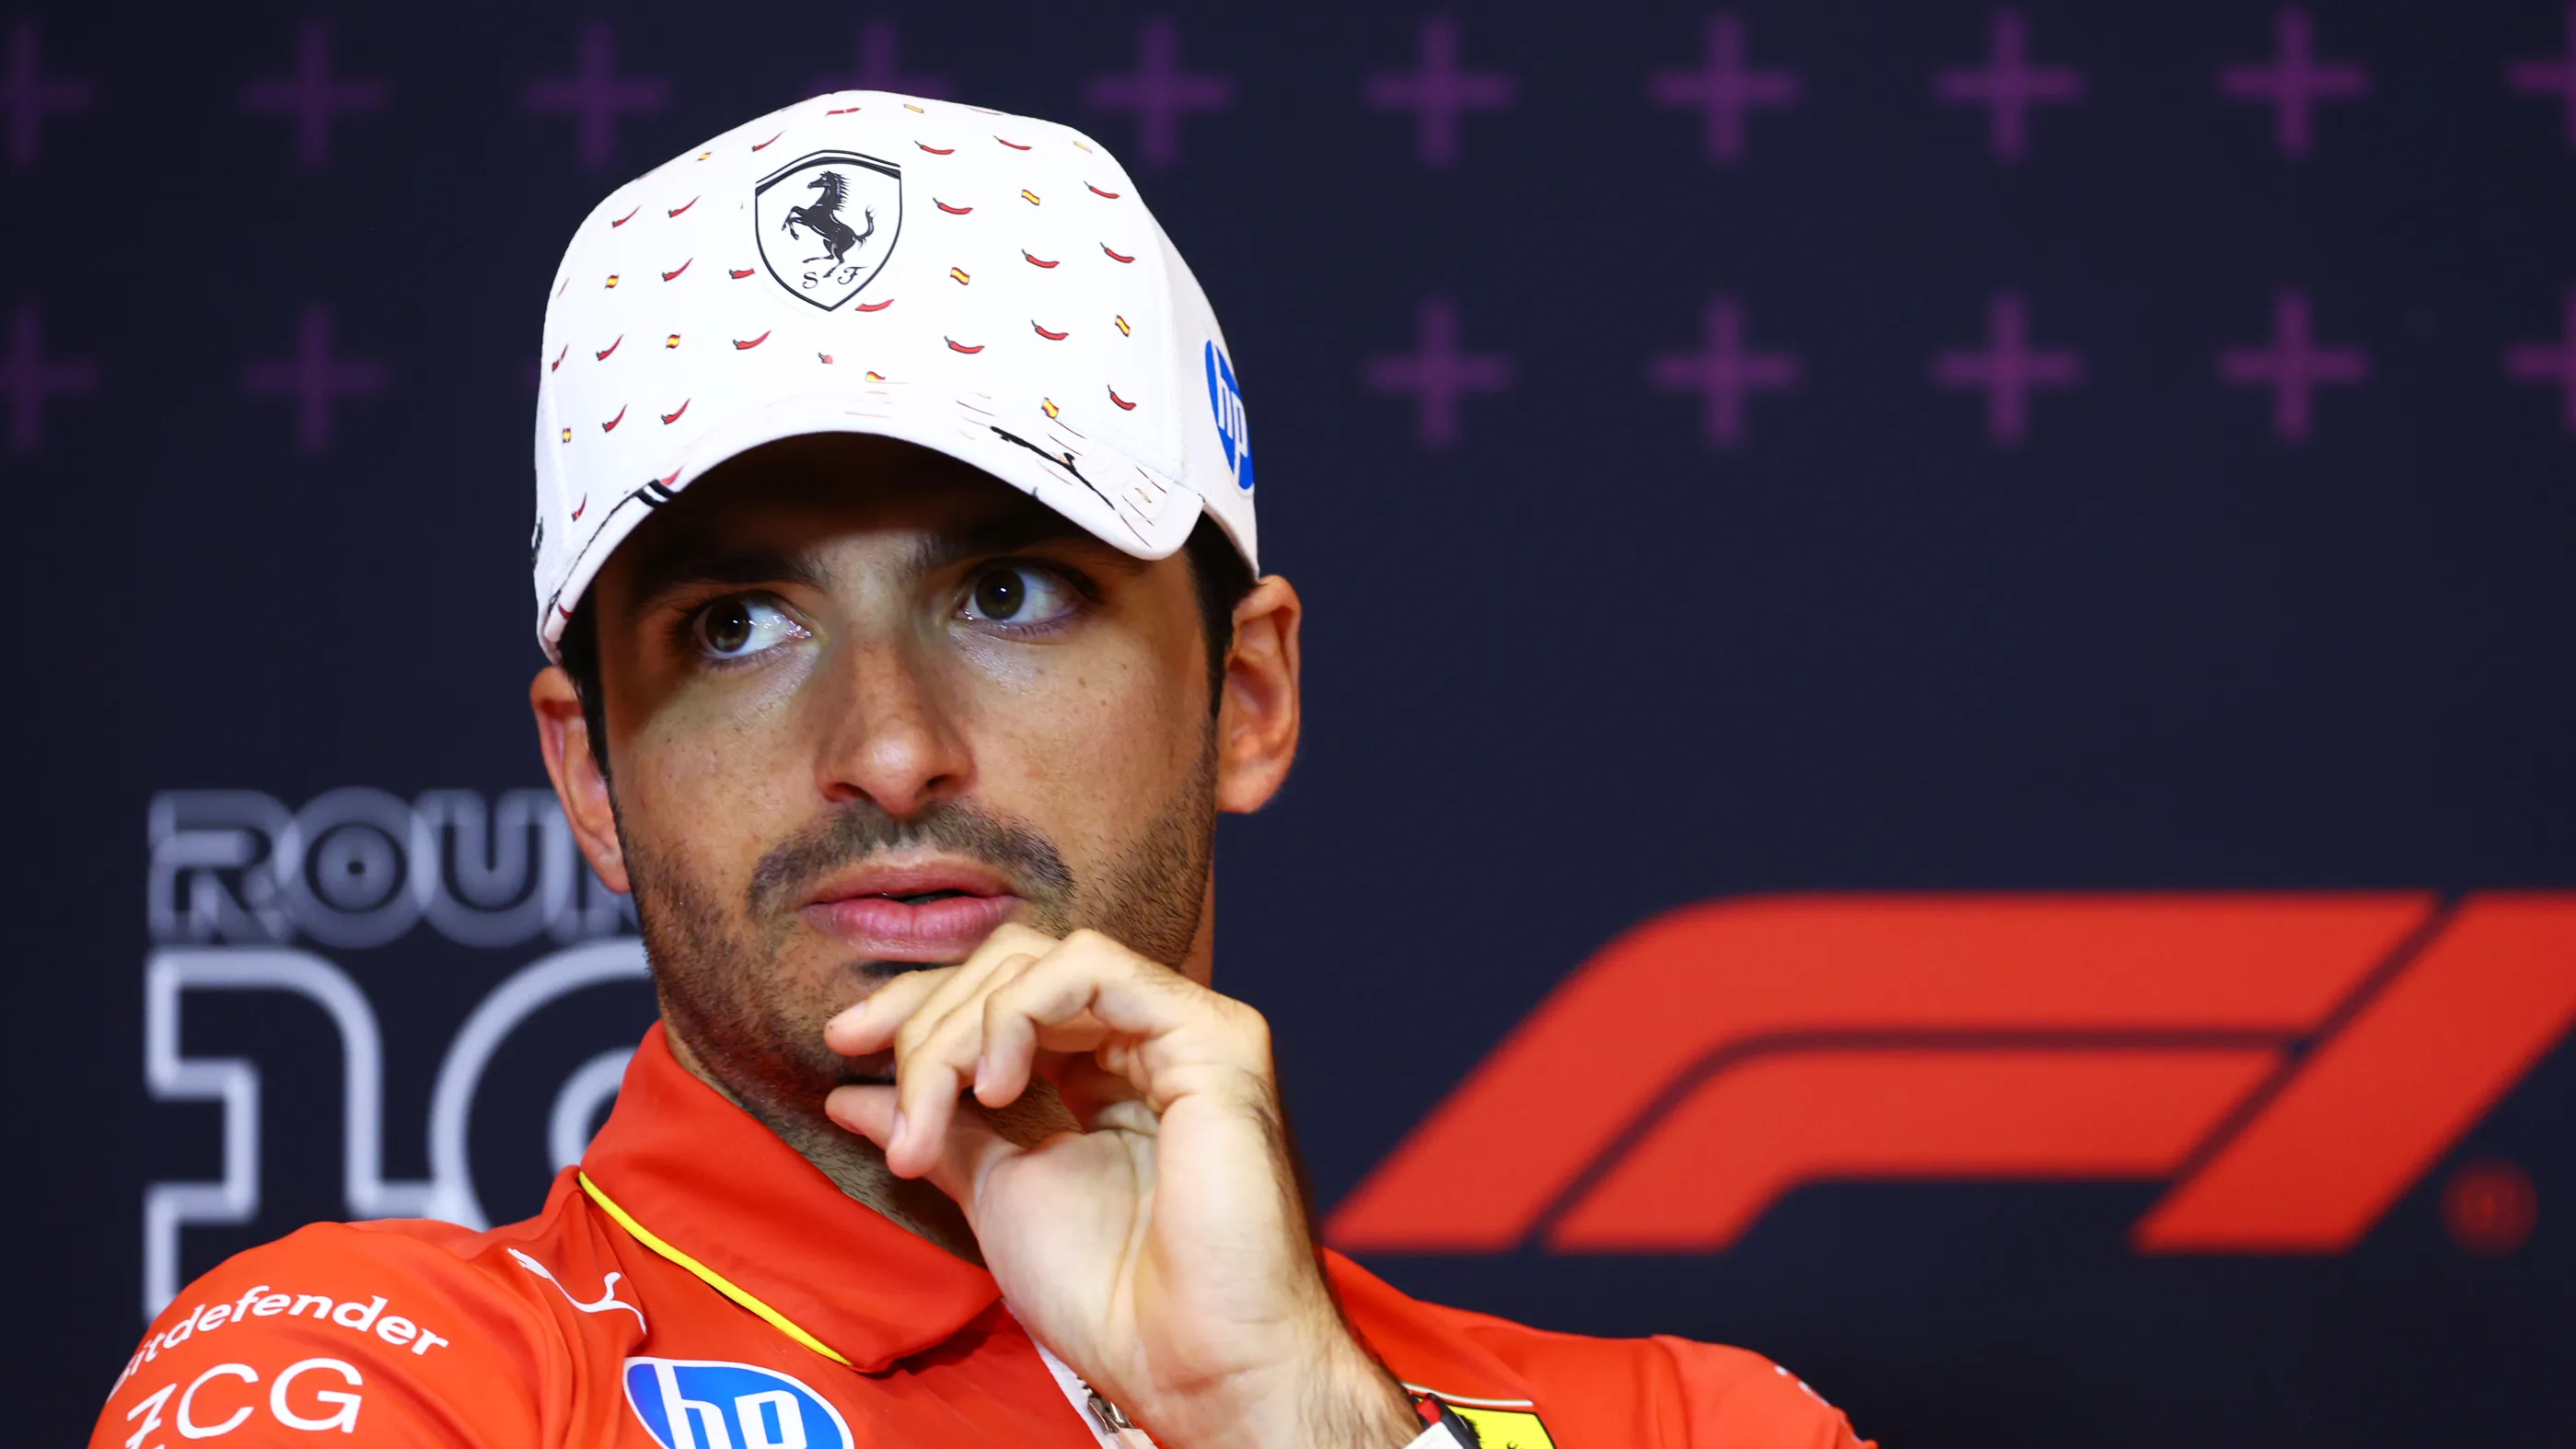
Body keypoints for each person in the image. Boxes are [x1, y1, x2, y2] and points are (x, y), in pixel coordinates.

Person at [95, 93, 1872, 1449]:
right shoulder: (371, 1377)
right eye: (733, 626)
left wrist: (1295, 1425)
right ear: (589, 777)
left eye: (1007, 592)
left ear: (1244, 693)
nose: (884, 748)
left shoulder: (1684, 1423)